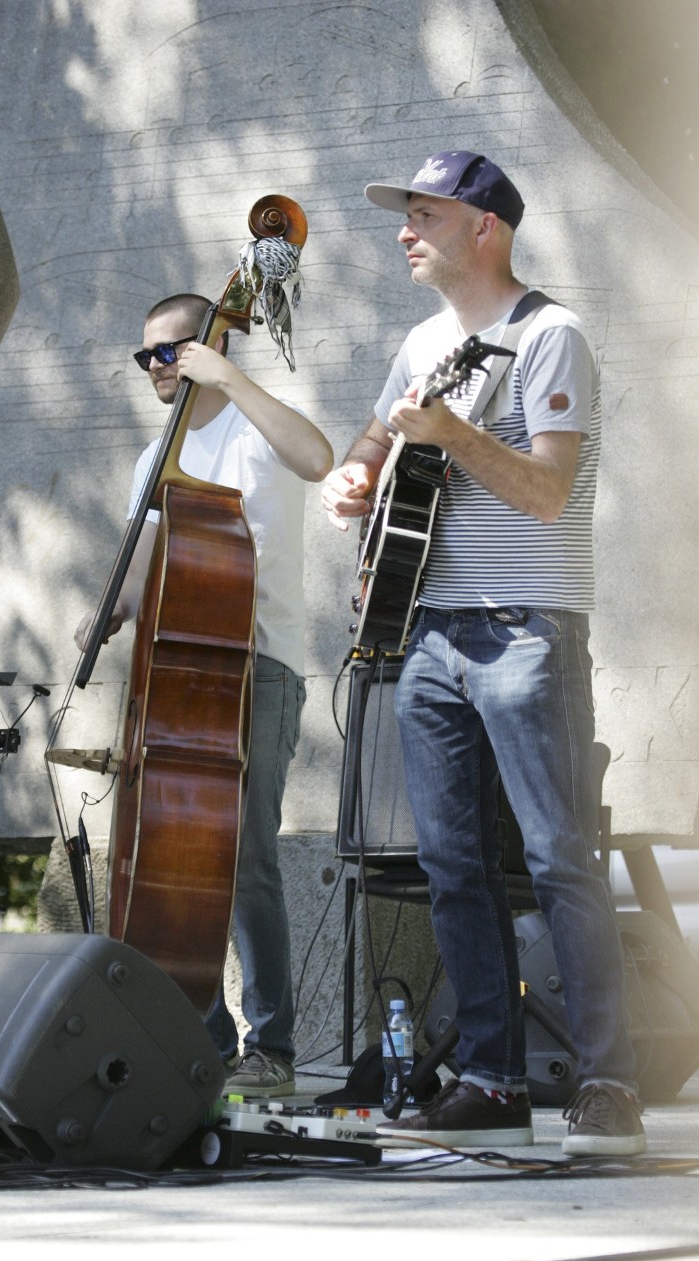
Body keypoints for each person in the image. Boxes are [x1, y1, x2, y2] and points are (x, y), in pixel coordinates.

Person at [322, 151, 646, 1156]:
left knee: (555, 858)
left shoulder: (552, 336)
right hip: (424, 632)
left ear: (486, 229)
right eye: (404, 214)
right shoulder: (421, 340)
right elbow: (372, 447)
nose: (405, 231)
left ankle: (607, 1088)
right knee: (452, 864)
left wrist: (453, 435)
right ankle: (493, 1080)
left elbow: (548, 492)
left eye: (425, 213)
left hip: (527, 627)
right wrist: (351, 477)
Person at [75, 292, 333, 1097]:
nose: (156, 368)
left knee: (246, 860)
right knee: (169, 861)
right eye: (146, 356)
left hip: (257, 666)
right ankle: (203, 1036)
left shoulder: (255, 427)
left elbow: (319, 458)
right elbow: (148, 560)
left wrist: (232, 377)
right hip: (178, 673)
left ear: (207, 346)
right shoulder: (156, 459)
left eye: (169, 352)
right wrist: (104, 613)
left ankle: (274, 1045)